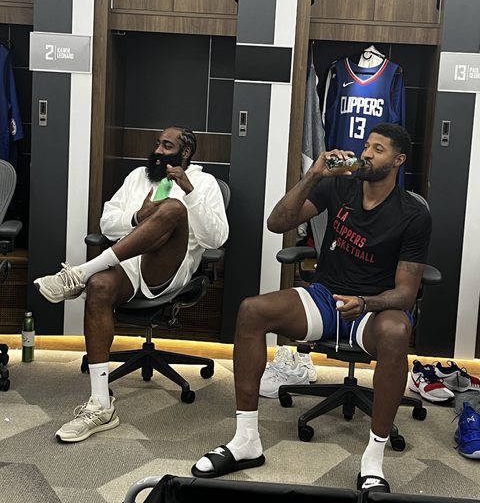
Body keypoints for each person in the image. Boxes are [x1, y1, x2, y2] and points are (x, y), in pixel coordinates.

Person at [192, 123, 431, 493]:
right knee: (252, 310)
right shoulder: (339, 186)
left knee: (397, 331)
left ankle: (373, 459)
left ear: (398, 161)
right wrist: (314, 175)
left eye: (378, 149)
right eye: (366, 146)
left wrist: (365, 303)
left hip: (372, 310)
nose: (366, 154)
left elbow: (405, 293)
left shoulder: (413, 214)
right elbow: (277, 223)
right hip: (326, 296)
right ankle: (246, 441)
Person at [35, 125, 229, 442]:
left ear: (185, 152)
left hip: (169, 268)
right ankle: (101, 404)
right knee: (99, 288)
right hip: (128, 266)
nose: (158, 151)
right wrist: (137, 217)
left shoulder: (205, 184)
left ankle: (79, 274)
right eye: (157, 144)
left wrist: (189, 192)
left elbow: (216, 239)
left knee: (174, 208)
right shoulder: (138, 177)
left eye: (167, 146)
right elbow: (107, 223)